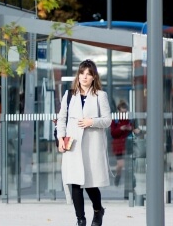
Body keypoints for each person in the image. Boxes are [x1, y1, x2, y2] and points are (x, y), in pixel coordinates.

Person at [57, 59, 112, 226]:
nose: (84, 77)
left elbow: (107, 120)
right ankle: (80, 219)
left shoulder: (100, 96)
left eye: (88, 74)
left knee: (90, 184)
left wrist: (91, 122)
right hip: (72, 145)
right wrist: (60, 138)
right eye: (82, 73)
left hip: (91, 146)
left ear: (94, 77)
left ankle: (98, 210)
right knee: (75, 182)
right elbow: (61, 119)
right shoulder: (69, 95)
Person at [109, 102, 135, 184]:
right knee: (120, 163)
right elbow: (113, 133)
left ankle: (131, 180)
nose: (124, 114)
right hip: (118, 144)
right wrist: (121, 128)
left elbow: (134, 129)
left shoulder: (129, 120)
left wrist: (130, 128)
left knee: (129, 164)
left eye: (125, 112)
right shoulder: (115, 120)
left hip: (128, 143)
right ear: (119, 111)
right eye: (122, 112)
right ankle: (118, 175)